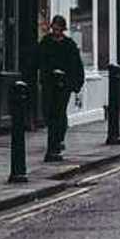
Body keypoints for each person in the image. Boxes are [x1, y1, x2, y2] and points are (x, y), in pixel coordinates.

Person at [37, 14, 85, 161]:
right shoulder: (45, 42)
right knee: (49, 112)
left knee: (59, 112)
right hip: (49, 83)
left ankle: (57, 141)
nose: (56, 31)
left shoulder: (69, 45)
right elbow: (39, 61)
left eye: (59, 29)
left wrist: (76, 85)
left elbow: (76, 65)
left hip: (64, 84)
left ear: (63, 29)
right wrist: (49, 72)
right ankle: (54, 142)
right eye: (54, 28)